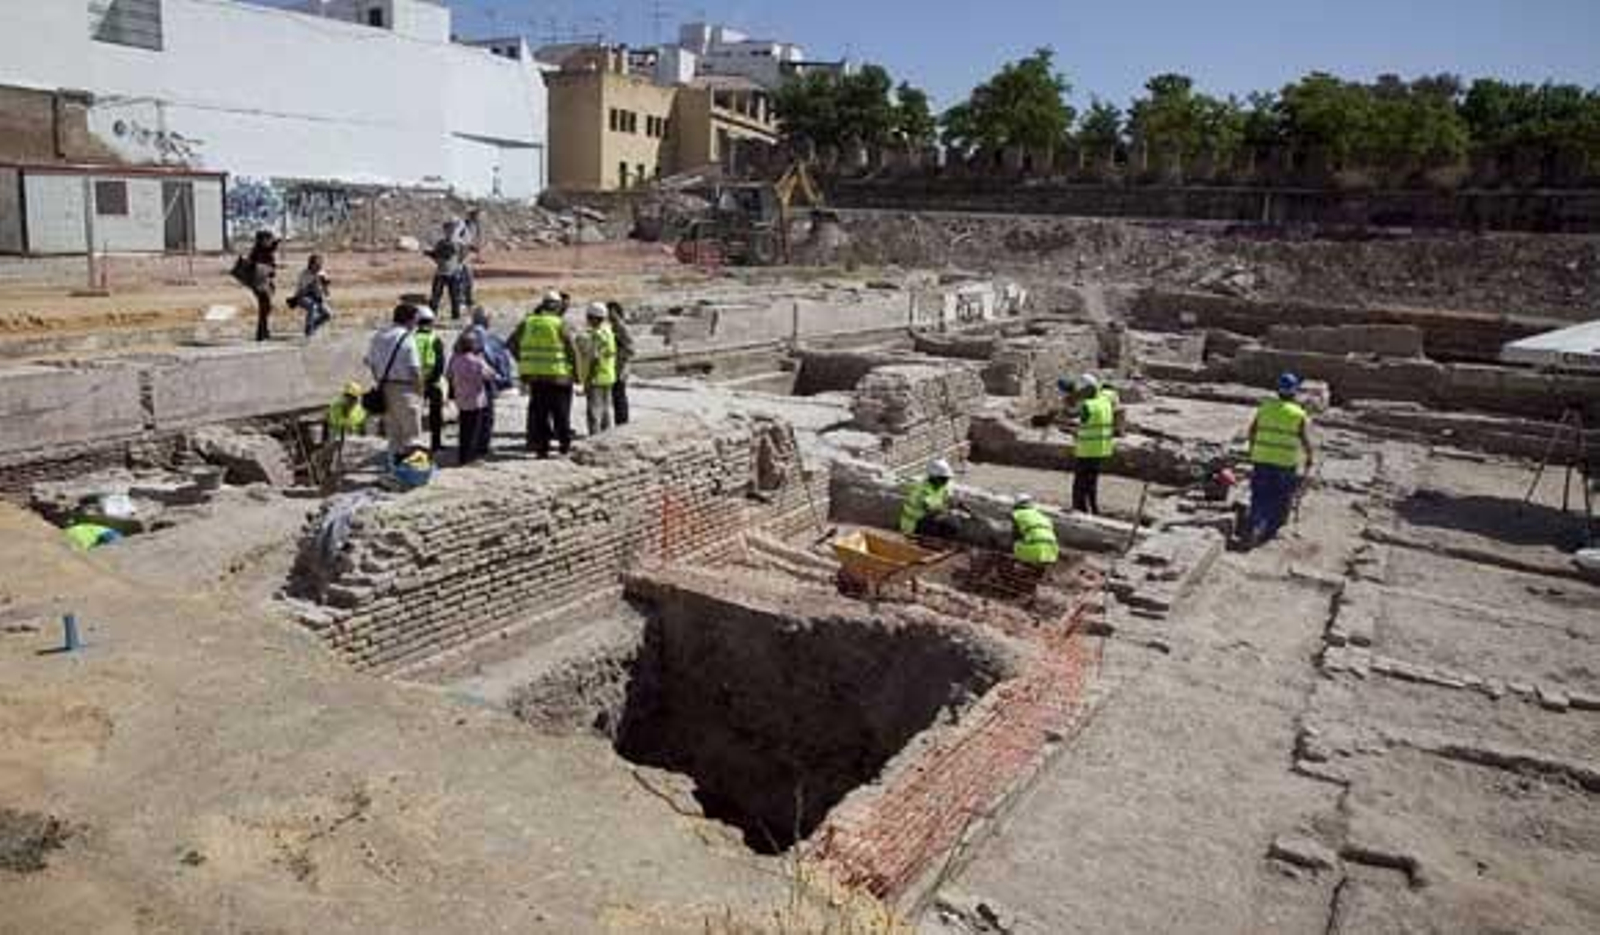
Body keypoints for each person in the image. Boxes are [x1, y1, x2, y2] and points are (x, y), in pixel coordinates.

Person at [1245, 372, 1316, 548]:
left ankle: (1255, 525)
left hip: (1261, 459)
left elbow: (1252, 431)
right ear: (1294, 392)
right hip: (1285, 462)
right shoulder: (1298, 413)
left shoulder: (1265, 407)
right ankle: (1271, 529)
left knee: (1259, 494)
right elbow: (1305, 439)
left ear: (1278, 390)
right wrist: (1310, 457)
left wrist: (1253, 450)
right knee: (1281, 496)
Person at [508, 290, 578, 459]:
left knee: (540, 414)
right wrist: (576, 372)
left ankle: (542, 448)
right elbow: (572, 350)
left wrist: (524, 361)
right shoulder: (560, 324)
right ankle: (564, 446)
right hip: (559, 377)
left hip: (535, 377)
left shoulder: (528, 322)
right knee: (561, 413)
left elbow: (511, 343)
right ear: (557, 307)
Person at [365, 304, 425, 458]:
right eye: (416, 321)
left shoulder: (379, 336)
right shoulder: (407, 338)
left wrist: (380, 380)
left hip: (384, 388)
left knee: (394, 436)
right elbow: (415, 370)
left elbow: (370, 362)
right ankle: (409, 474)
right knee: (412, 437)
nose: (416, 325)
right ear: (409, 320)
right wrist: (420, 393)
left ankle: (394, 472)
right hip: (405, 390)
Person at [466, 307, 515, 458]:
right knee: (485, 417)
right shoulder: (491, 338)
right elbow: (500, 360)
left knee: (468, 416)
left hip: (465, 382)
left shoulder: (464, 335)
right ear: (487, 320)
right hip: (485, 381)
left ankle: (467, 447)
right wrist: (504, 380)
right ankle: (481, 449)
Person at [1066, 373, 1117, 515]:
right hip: (1101, 450)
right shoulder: (1104, 400)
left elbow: (1072, 415)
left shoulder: (1088, 406)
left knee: (1080, 484)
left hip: (1087, 450)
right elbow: (1111, 391)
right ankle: (1094, 510)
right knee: (1092, 483)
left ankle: (1079, 510)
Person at [447, 331, 498, 466]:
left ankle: (462, 456)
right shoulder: (476, 361)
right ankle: (470, 458)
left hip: (461, 398)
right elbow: (491, 375)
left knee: (464, 429)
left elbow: (449, 375)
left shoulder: (456, 359)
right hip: (476, 400)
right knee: (474, 431)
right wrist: (482, 360)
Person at [580, 302, 618, 437]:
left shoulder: (596, 335)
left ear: (593, 318)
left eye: (589, 317)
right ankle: (607, 438)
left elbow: (595, 358)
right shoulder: (608, 332)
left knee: (594, 412)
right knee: (606, 411)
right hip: (608, 376)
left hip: (596, 377)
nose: (587, 320)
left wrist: (588, 377)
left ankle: (595, 440)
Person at [899, 458, 960, 539]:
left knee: (954, 523)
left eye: (946, 478)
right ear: (934, 477)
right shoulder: (921, 489)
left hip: (927, 518)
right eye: (943, 478)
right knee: (947, 523)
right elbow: (932, 509)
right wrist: (951, 510)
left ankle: (936, 541)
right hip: (913, 524)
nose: (946, 481)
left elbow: (946, 498)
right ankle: (926, 541)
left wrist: (954, 502)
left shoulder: (940, 486)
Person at [415, 308, 448, 453]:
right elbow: (440, 364)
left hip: (414, 382)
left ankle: (415, 444)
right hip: (432, 382)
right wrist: (432, 381)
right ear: (432, 322)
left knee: (414, 416)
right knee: (435, 414)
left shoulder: (411, 338)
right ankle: (436, 444)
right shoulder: (434, 339)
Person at [323, 382, 367, 483]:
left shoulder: (359, 410)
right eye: (348, 396)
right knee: (332, 451)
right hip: (336, 434)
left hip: (350, 439)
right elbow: (333, 421)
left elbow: (359, 425)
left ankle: (341, 475)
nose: (350, 400)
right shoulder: (335, 406)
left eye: (353, 398)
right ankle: (330, 473)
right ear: (344, 396)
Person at [426, 222, 466, 320]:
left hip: (453, 274)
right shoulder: (441, 243)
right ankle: (431, 317)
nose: (449, 232)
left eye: (451, 230)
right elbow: (437, 255)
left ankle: (456, 318)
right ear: (445, 231)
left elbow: (454, 254)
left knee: (455, 298)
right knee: (435, 297)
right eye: (447, 230)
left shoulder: (458, 243)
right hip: (440, 273)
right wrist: (431, 255)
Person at [1010, 494, 1060, 568]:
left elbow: (1015, 535)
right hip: (1053, 552)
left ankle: (1023, 564)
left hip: (1035, 552)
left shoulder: (1017, 514)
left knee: (1016, 545)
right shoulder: (1042, 516)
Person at [246, 230, 279, 342]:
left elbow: (272, 266)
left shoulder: (268, 250)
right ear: (261, 240)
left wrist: (271, 269)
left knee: (266, 308)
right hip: (259, 284)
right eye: (268, 239)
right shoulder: (256, 252)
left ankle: (263, 331)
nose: (270, 240)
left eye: (270, 239)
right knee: (264, 307)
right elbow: (251, 267)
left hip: (267, 283)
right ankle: (261, 333)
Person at [607, 301, 635, 426]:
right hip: (614, 367)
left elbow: (631, 349)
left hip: (621, 367)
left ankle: (623, 423)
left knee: (620, 397)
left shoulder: (622, 327)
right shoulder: (613, 327)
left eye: (611, 311)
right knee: (616, 397)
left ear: (617, 312)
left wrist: (623, 363)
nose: (609, 314)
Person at [292, 253, 333, 337]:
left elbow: (326, 292)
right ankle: (309, 331)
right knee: (312, 307)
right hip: (302, 297)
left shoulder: (322, 273)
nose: (319, 266)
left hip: (317, 298)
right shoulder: (304, 274)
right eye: (317, 264)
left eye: (320, 264)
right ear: (311, 264)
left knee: (328, 314)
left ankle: (313, 326)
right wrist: (313, 283)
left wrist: (325, 286)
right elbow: (301, 291)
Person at [452, 209, 482, 307]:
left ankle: (468, 299)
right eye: (477, 215)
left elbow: (476, 240)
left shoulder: (477, 226)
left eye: (479, 215)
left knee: (469, 278)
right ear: (471, 215)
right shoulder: (463, 225)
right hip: (459, 255)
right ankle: (460, 300)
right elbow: (455, 238)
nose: (479, 217)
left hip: (467, 256)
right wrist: (468, 245)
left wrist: (476, 251)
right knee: (460, 278)